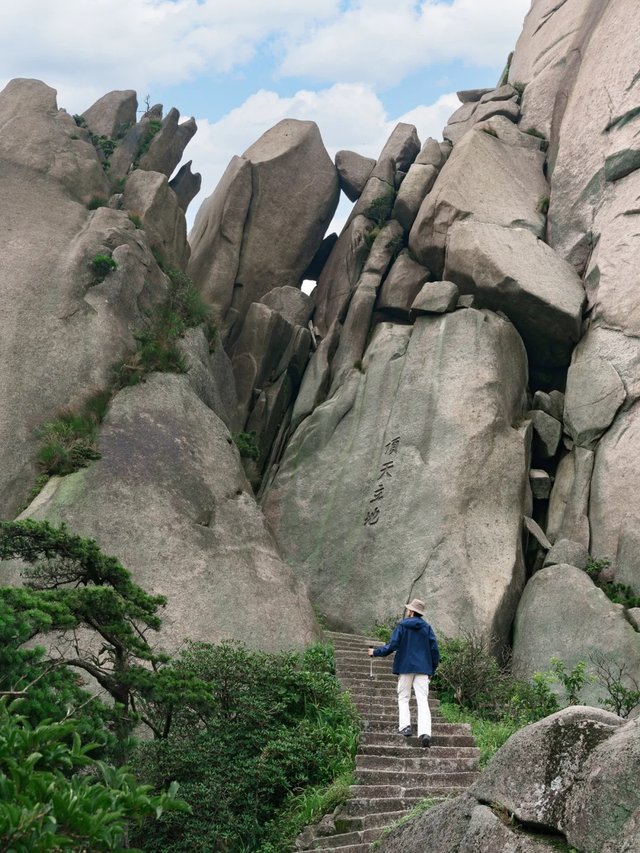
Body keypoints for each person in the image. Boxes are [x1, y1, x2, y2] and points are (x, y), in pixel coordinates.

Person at [368, 598, 439, 748]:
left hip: (406, 667)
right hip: (423, 669)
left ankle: (405, 727)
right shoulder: (427, 628)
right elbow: (434, 651)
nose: (407, 611)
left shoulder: (402, 626)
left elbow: (392, 645)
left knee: (404, 697)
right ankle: (425, 732)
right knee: (422, 700)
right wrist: (431, 669)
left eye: (408, 609)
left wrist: (375, 652)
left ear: (412, 612)